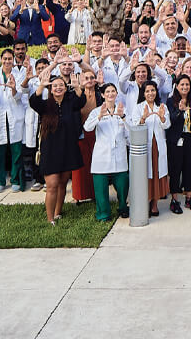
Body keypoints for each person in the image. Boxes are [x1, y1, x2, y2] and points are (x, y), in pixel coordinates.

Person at [28, 70, 90, 224]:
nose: (58, 88)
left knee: (63, 182)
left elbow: (82, 101)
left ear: (65, 87)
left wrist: (77, 87)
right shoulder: (45, 105)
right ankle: (50, 219)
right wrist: (41, 85)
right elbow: (33, 101)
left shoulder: (71, 103)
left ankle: (57, 213)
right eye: (55, 85)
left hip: (68, 148)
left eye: (61, 85)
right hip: (51, 151)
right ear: (51, 88)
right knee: (52, 185)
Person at [84, 83, 130, 222]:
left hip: (119, 154)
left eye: (113, 91)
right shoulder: (97, 111)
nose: (110, 94)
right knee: (101, 188)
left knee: (123, 184)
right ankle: (103, 214)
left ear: (116, 94)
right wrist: (99, 116)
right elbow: (87, 128)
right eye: (107, 92)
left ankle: (123, 207)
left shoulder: (123, 110)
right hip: (101, 156)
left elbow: (130, 131)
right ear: (103, 95)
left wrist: (123, 117)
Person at [0, 52, 27, 192]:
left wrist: (13, 88)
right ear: (1, 60)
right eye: (5, 59)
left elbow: (19, 97)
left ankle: (16, 179)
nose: (7, 61)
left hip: (15, 115)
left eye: (10, 58)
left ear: (13, 60)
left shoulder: (19, 75)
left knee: (16, 150)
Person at [131, 79, 171, 217]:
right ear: (143, 93)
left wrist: (162, 118)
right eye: (147, 91)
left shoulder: (162, 107)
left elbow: (167, 126)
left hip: (158, 145)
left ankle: (154, 204)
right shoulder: (138, 107)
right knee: (145, 175)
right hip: (144, 146)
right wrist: (143, 118)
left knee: (156, 174)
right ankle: (144, 203)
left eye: (152, 90)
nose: (150, 93)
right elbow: (134, 126)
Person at [167, 73, 191, 213]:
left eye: (187, 84)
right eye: (182, 84)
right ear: (176, 86)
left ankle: (189, 198)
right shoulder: (171, 101)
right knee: (175, 170)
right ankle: (174, 200)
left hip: (190, 139)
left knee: (189, 169)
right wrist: (180, 112)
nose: (185, 87)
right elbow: (172, 120)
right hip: (176, 140)